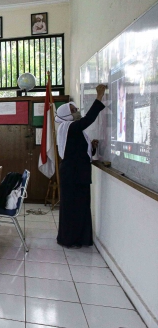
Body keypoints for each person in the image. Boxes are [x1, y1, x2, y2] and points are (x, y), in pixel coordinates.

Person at [55, 84, 106, 248]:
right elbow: (88, 119)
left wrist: (92, 147)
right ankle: (69, 239)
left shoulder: (72, 130)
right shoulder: (69, 127)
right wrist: (99, 97)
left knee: (81, 208)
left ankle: (81, 239)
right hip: (73, 175)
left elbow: (78, 152)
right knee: (73, 208)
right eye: (73, 109)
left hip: (77, 173)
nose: (76, 110)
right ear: (66, 115)